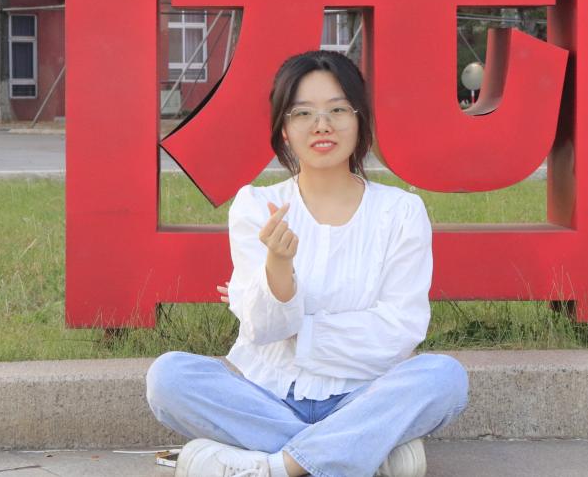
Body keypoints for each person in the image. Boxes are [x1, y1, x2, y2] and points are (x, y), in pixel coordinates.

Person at [145, 50, 469, 477]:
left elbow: (400, 329)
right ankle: (363, 448)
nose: (322, 125)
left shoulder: (401, 212)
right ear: (284, 127)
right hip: (265, 394)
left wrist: (299, 331)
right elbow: (263, 330)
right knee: (168, 377)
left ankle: (275, 466)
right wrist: (279, 267)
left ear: (360, 119)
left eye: (338, 110)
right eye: (303, 113)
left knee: (444, 378)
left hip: (362, 395)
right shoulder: (257, 206)